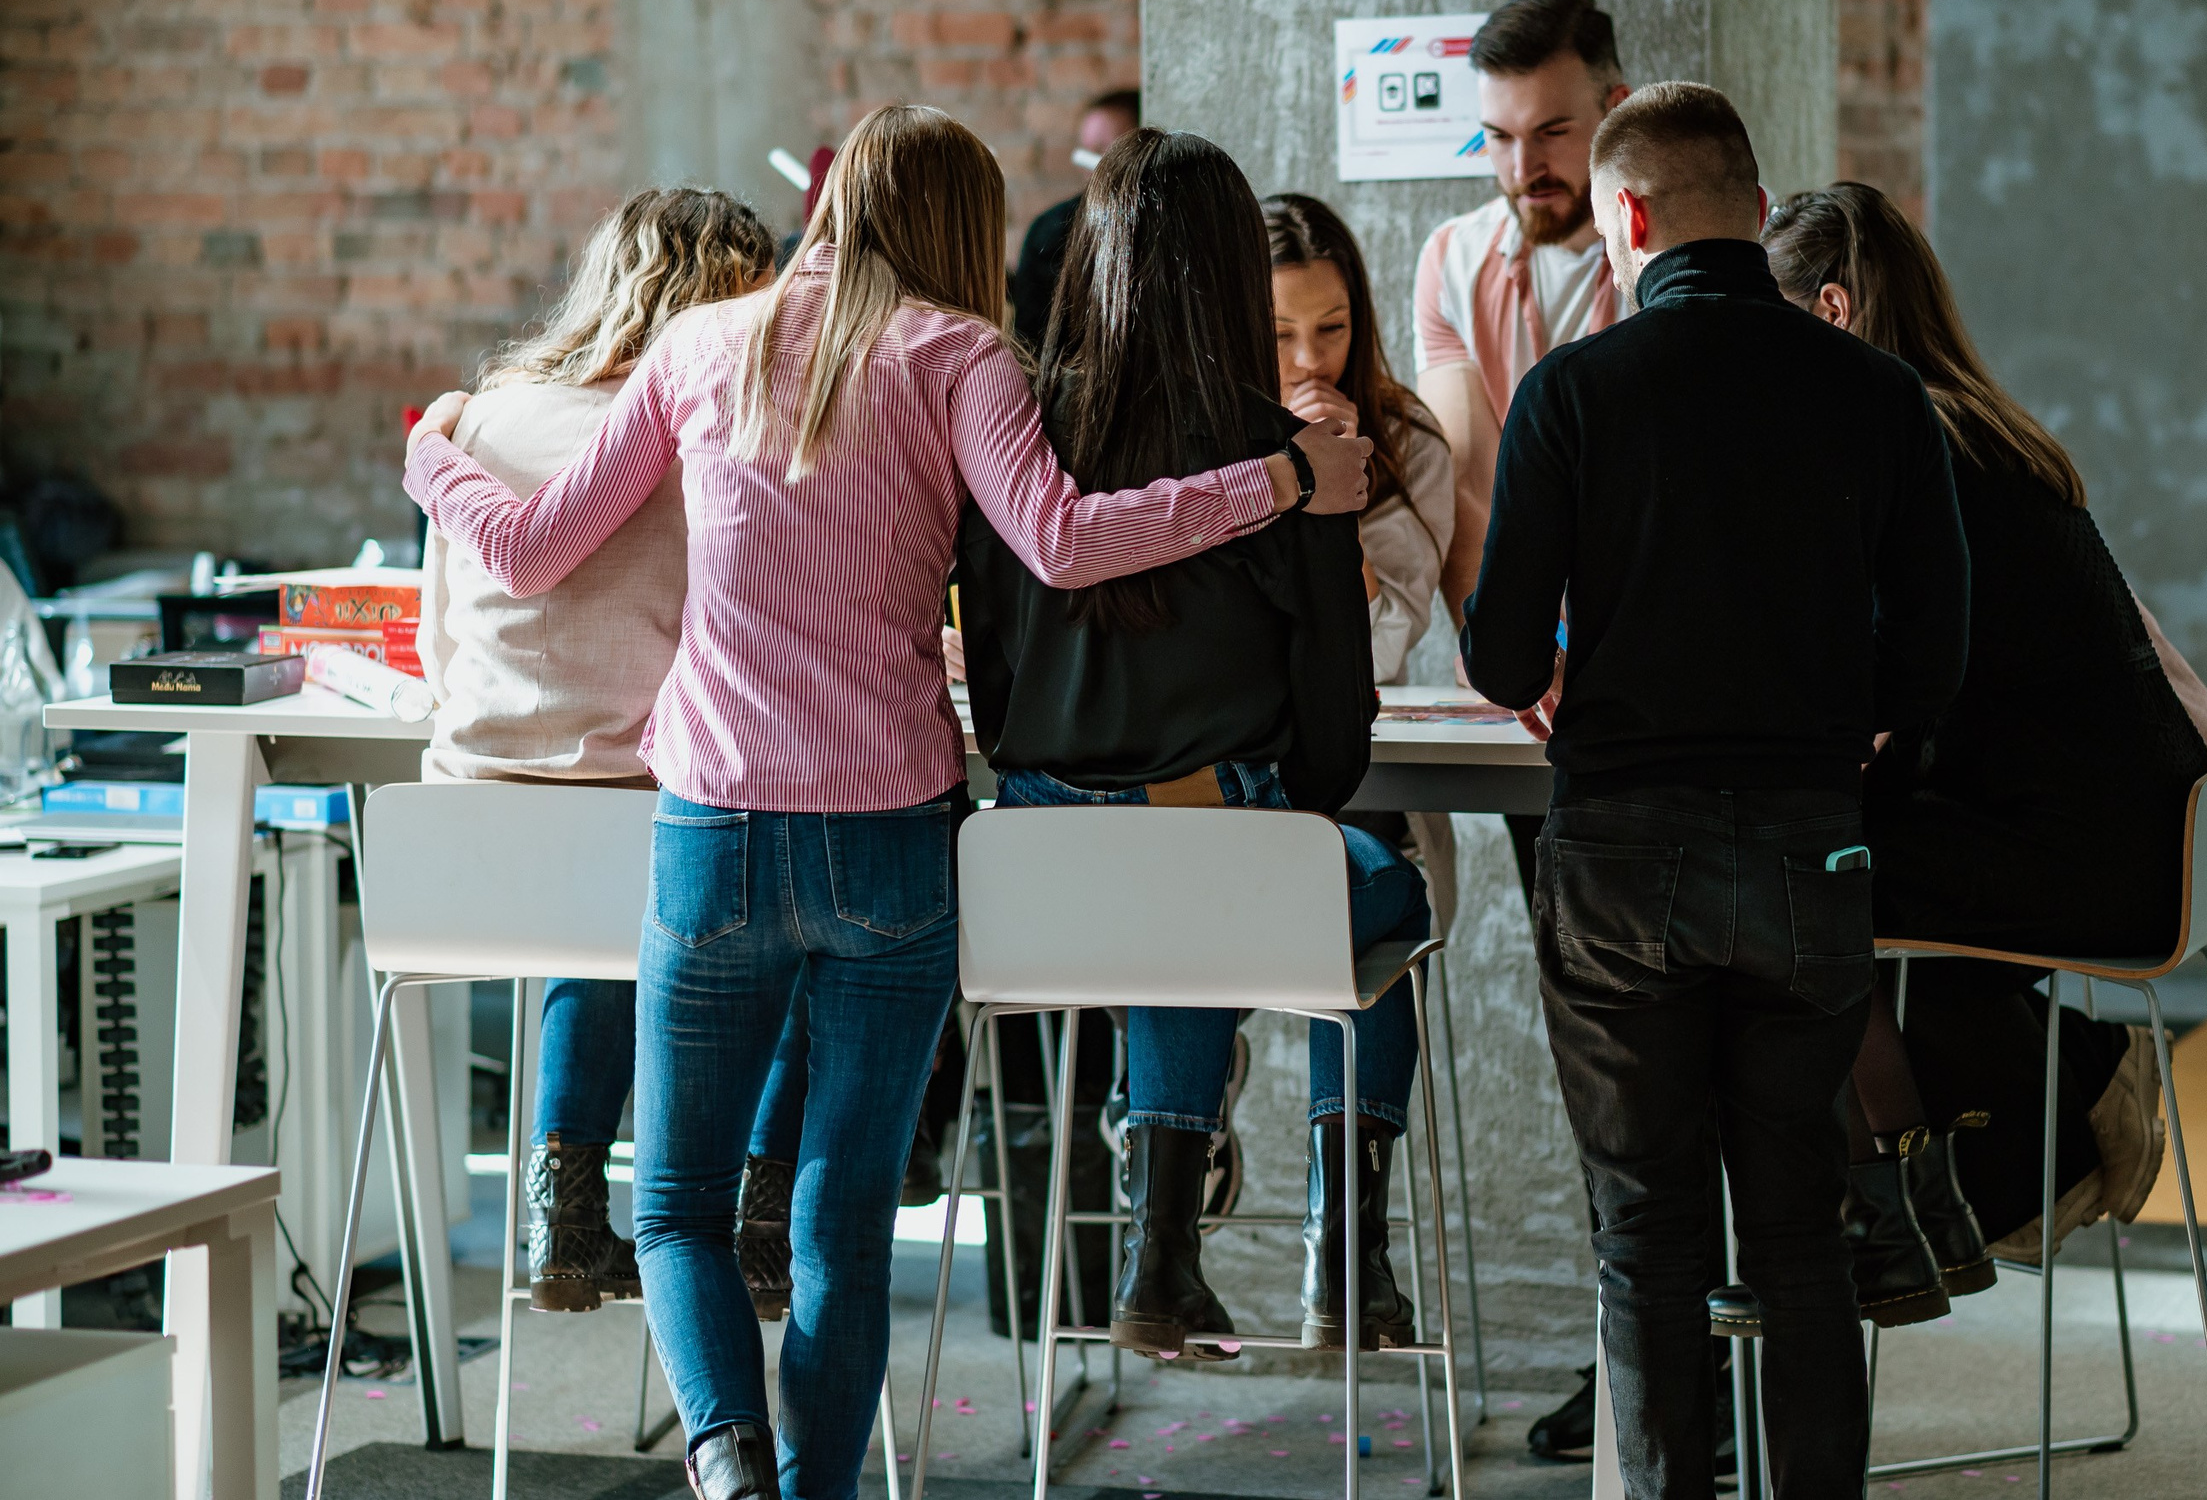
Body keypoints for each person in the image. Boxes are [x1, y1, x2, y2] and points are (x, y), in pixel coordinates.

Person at [405, 104, 1374, 1500]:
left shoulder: (698, 345)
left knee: (674, 1205)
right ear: (960, 229)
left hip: (718, 833)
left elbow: (528, 546)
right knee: (842, 1222)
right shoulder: (964, 355)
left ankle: (727, 1453)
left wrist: (430, 450)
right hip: (892, 838)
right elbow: (1061, 542)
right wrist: (1280, 478)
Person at [1464, 83, 1970, 1498]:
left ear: (1626, 217)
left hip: (1619, 858)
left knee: (1646, 1232)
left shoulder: (1572, 392)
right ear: (1754, 209)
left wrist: (1571, 657)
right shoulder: (1877, 393)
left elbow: (1501, 655)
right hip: (1806, 851)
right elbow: (1936, 657)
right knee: (1801, 1228)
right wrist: (1846, 715)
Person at [959, 130, 1434, 1360]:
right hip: (1211, 866)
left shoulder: (1011, 441)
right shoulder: (1287, 461)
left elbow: (995, 695)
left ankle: (1159, 1245)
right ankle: (1341, 1252)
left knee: (1169, 882)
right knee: (1377, 887)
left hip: (1032, 885)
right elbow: (1333, 747)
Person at [1763, 182, 2207, 1268]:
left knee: (1791, 884)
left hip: (2085, 855)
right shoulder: (1972, 424)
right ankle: (1931, 1198)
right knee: (1821, 877)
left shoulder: (1910, 454)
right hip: (2138, 833)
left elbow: (1882, 689)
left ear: (1831, 312)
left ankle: (1923, 1205)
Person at [418, 187, 812, 1320]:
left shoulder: (483, 418)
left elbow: (438, 645)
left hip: (460, 832)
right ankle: (759, 1211)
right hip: (642, 825)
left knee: (590, 905)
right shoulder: (707, 434)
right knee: (800, 899)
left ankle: (566, 1204)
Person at [1414, 0, 1630, 965]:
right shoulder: (1453, 258)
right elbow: (1466, 483)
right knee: (1567, 957)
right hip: (1529, 683)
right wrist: (1515, 663)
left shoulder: (1675, 259)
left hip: (1661, 683)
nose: (1521, 168)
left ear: (1615, 109)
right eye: (1498, 137)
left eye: (1550, 132)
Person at [1266, 191, 1461, 916]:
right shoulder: (1202, 446)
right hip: (1228, 774)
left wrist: (1334, 491)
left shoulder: (1409, 442)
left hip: (1363, 779)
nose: (1310, 360)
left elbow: (1376, 651)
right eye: (1278, 333)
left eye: (1332, 328)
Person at [1011, 87, 1140, 352]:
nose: (1089, 160)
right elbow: (1030, 336)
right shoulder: (1051, 230)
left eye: (1102, 148)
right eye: (1086, 148)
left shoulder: (1163, 223)